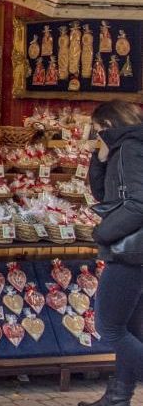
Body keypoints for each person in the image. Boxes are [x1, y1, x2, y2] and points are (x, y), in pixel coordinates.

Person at [81, 100, 143, 406]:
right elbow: (105, 195)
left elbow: (137, 204)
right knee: (131, 328)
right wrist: (101, 159)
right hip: (133, 250)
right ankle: (118, 398)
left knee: (110, 327)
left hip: (130, 251)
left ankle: (118, 397)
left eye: (97, 130)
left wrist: (103, 233)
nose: (95, 136)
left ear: (108, 126)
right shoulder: (124, 149)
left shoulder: (131, 149)